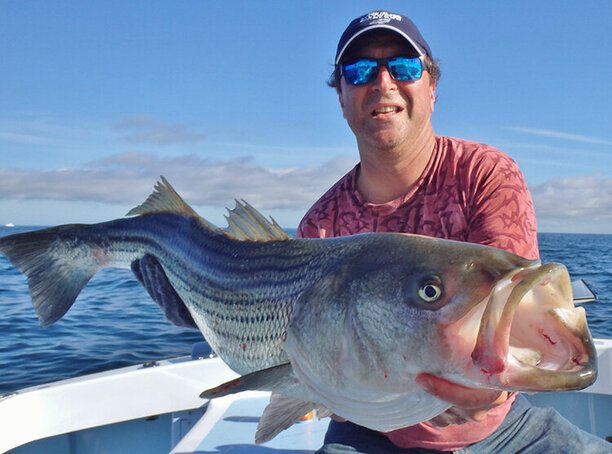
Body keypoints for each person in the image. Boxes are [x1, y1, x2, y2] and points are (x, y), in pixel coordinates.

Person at [297, 10, 610, 454]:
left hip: (505, 428)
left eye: (404, 66)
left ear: (432, 87)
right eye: (360, 70)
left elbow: (506, 310)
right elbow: (309, 366)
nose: (383, 83)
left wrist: (486, 385)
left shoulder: (485, 174)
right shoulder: (321, 227)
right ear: (342, 98)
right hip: (373, 433)